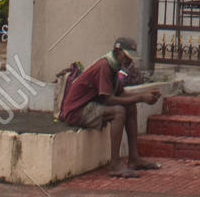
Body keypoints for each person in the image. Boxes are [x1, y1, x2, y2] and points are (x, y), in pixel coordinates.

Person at [59, 37, 161, 178]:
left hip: (91, 105)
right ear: (117, 52)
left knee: (130, 106)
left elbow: (121, 94)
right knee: (118, 112)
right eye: (126, 57)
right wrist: (141, 98)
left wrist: (144, 95)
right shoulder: (104, 67)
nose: (129, 62)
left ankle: (134, 158)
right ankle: (114, 164)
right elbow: (109, 99)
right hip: (77, 111)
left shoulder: (114, 67)